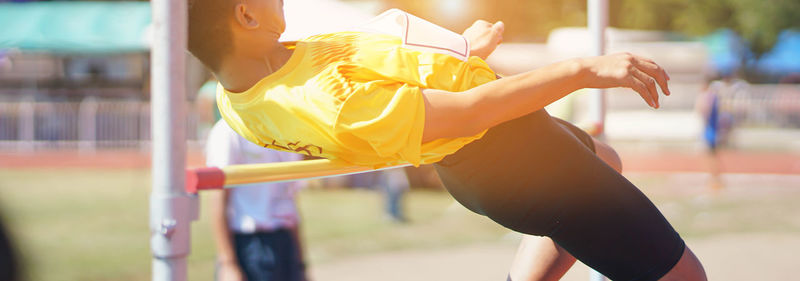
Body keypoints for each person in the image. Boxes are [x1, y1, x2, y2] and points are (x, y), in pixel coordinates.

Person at [188, 2, 707, 280]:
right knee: (685, 279)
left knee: (607, 160)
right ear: (246, 16)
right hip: (513, 159)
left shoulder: (243, 95)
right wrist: (584, 68)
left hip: (506, 149)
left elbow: (382, 61)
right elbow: (472, 113)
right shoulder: (329, 102)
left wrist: (460, 50)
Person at [206, 119, 308, 281]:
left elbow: (290, 199)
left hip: (285, 240)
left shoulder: (289, 130)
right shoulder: (230, 129)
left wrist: (301, 263)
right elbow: (218, 199)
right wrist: (228, 263)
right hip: (249, 244)